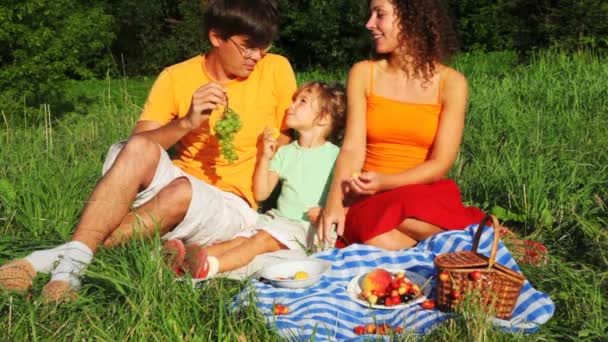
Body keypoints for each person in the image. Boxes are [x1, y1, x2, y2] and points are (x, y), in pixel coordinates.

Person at [0, 0, 297, 302]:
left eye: (264, 46)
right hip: (179, 181)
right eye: (248, 47)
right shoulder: (176, 77)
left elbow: (291, 138)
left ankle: (52, 264)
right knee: (140, 150)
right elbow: (138, 146)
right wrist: (186, 123)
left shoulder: (275, 69)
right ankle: (69, 271)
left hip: (233, 204)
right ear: (217, 37)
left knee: (179, 192)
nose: (258, 56)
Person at [318, 0, 488, 250]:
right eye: (370, 14)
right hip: (370, 195)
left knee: (381, 233)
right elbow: (353, 147)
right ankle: (469, 242)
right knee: (374, 236)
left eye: (380, 14)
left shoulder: (452, 83)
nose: (369, 24)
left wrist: (387, 181)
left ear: (411, 19)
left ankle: (462, 242)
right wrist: (334, 202)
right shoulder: (364, 73)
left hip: (421, 192)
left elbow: (441, 163)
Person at [163, 82, 346, 279]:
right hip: (277, 221)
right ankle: (180, 264)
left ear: (324, 119)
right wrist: (264, 158)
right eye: (294, 100)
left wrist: (326, 211)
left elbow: (349, 196)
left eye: (302, 101)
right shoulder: (286, 153)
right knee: (237, 242)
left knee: (260, 241)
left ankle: (210, 267)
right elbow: (262, 193)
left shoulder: (338, 156)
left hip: (308, 230)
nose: (290, 106)